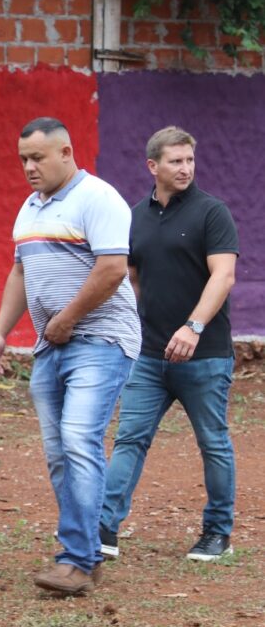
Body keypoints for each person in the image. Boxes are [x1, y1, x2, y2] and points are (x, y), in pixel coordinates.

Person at [0, 117, 140, 596]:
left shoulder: (99, 198)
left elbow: (113, 269)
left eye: (37, 158)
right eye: (23, 160)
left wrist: (69, 317)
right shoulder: (30, 208)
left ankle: (75, 558)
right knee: (58, 454)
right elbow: (20, 274)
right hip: (51, 345)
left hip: (102, 340)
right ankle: (86, 552)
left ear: (66, 152)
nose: (29, 168)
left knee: (78, 439)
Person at [100, 126, 238, 562]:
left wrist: (192, 327)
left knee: (213, 442)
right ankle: (103, 527)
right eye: (175, 161)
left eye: (190, 161)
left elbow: (224, 275)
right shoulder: (135, 217)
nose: (185, 169)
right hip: (149, 355)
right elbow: (133, 279)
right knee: (129, 440)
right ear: (152, 166)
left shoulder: (212, 213)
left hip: (205, 355)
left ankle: (218, 532)